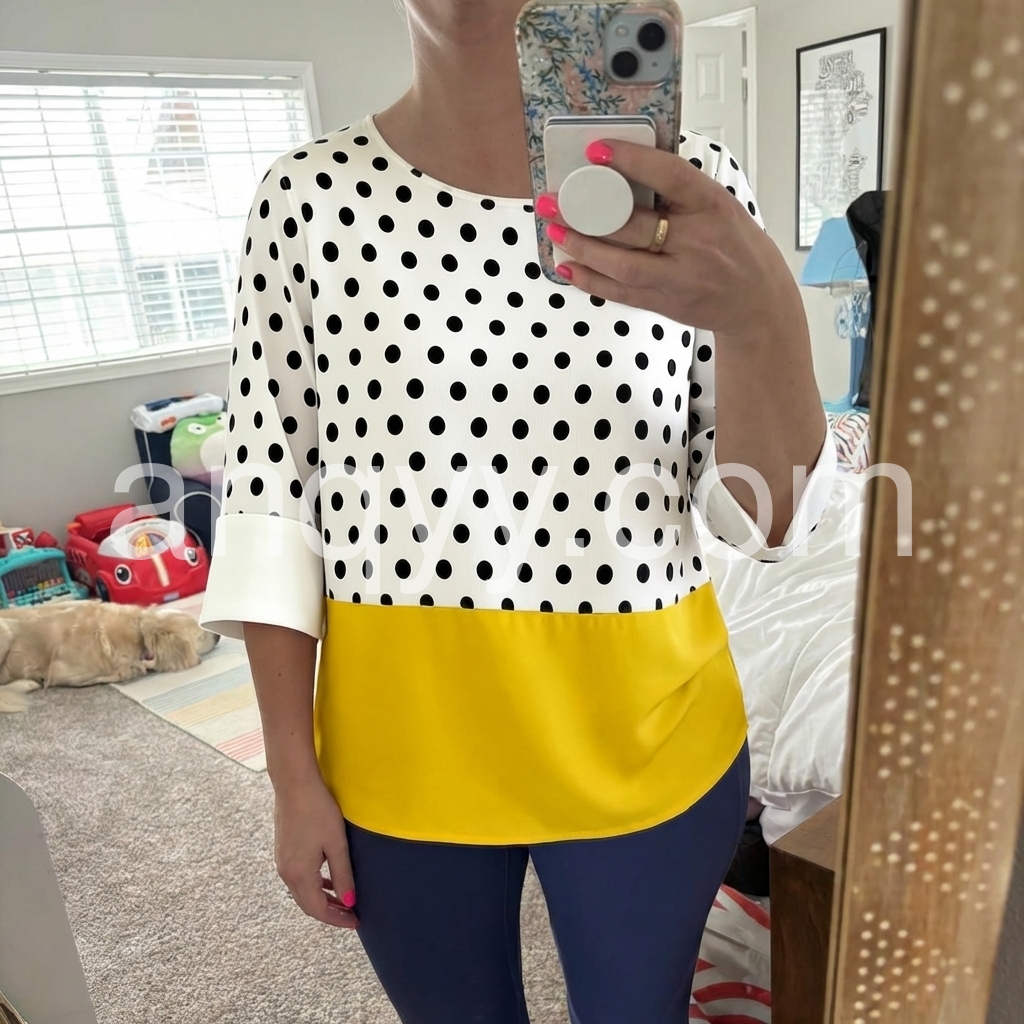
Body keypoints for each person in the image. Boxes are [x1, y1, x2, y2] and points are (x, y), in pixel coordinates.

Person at [200, 1, 834, 1021]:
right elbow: (272, 502)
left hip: (652, 738)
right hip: (399, 747)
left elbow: (764, 519)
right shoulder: (306, 201)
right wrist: (290, 776)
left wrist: (765, 312)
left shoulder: (690, 189)